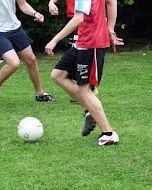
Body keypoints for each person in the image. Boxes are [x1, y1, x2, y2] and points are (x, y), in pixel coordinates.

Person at [45, 0, 124, 145]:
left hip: (91, 43)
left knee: (84, 90)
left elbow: (78, 18)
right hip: (82, 42)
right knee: (58, 75)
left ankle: (108, 134)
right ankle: (90, 111)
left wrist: (54, 40)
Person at [0, 0, 58, 106]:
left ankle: (40, 94)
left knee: (31, 59)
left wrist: (35, 13)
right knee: (13, 63)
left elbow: (23, 4)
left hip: (14, 28)